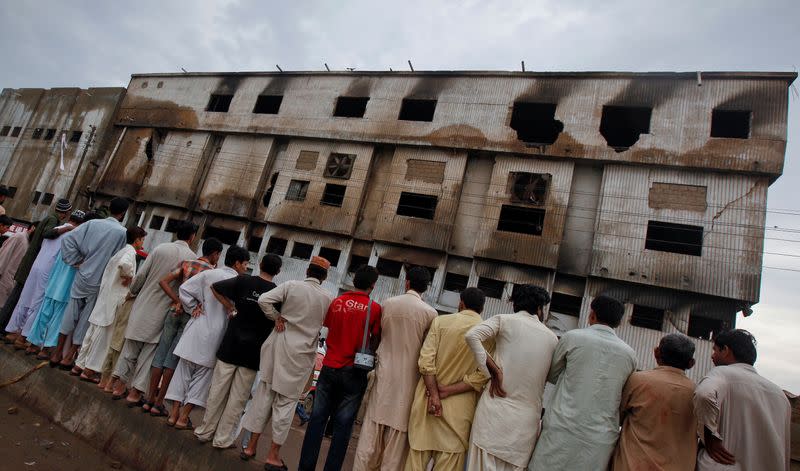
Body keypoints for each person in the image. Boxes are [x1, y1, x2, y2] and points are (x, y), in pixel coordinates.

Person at [240, 256, 334, 470]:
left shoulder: (291, 286)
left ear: (307, 270)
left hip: (278, 345)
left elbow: (264, 300)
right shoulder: (328, 297)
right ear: (325, 276)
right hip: (301, 355)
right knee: (286, 404)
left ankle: (250, 447)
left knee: (264, 397)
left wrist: (276, 317)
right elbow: (328, 326)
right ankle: (273, 456)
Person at [528, 294, 636, 471]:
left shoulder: (572, 338)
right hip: (600, 438)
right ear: (619, 322)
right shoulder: (629, 354)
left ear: (591, 314)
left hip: (561, 426)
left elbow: (553, 374)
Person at [464, 284, 558, 471]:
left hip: (493, 414)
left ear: (515, 303)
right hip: (525, 427)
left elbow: (472, 335)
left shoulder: (504, 320)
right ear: (540, 309)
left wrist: (492, 369)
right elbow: (553, 376)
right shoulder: (552, 338)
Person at [353, 267, 438, 471]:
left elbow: (378, 337)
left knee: (371, 431)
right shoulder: (430, 313)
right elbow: (428, 352)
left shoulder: (388, 304)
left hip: (383, 375)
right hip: (410, 382)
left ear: (406, 282)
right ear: (426, 288)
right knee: (397, 438)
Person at [193, 253, 282, 448]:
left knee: (217, 391)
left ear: (260, 265)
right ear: (278, 271)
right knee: (238, 399)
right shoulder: (277, 292)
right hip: (253, 353)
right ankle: (222, 439)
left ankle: (205, 432)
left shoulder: (243, 281)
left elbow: (215, 288)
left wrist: (230, 308)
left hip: (230, 346)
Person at [299, 265, 383, 471]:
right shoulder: (375, 308)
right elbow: (376, 338)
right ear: (373, 285)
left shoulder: (337, 302)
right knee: (343, 426)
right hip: (354, 371)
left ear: (354, 281)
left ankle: (305, 468)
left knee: (317, 420)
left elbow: (329, 327)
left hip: (329, 366)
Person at [111, 221, 198, 404]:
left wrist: (133, 291)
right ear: (192, 237)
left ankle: (119, 386)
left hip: (143, 304)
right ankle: (135, 393)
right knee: (149, 354)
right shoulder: (192, 258)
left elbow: (141, 276)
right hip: (164, 310)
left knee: (130, 348)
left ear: (176, 234)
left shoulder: (160, 249)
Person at [164, 245, 250, 429]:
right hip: (217, 333)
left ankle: (173, 415)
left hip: (197, 327)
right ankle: (183, 417)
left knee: (182, 373)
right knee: (202, 379)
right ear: (237, 263)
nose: (246, 267)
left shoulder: (209, 274)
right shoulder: (239, 282)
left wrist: (192, 306)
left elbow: (185, 290)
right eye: (245, 264)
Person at [405, 287, 489, 471]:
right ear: (482, 309)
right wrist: (447, 390)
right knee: (450, 460)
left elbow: (426, 361)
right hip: (459, 412)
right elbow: (483, 375)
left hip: (427, 403)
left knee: (416, 459)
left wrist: (434, 394)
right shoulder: (487, 334)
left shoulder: (441, 322)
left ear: (461, 303)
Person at [145, 237, 222, 416]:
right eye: (218, 255)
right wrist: (194, 306)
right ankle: (159, 402)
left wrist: (177, 300)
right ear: (215, 254)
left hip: (173, 311)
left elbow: (164, 281)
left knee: (160, 354)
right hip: (191, 318)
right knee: (173, 359)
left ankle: (149, 399)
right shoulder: (212, 272)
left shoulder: (187, 263)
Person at [694, 329, 791, 471]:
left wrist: (710, 437)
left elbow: (703, 395)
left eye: (715, 350)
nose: (712, 356)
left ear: (726, 350)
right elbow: (785, 450)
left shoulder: (722, 374)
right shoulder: (779, 395)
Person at [53, 198, 129, 371]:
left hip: (83, 274)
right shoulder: (122, 233)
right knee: (86, 319)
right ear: (123, 213)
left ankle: (57, 353)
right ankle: (69, 357)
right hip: (100, 280)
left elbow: (68, 240)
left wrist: (76, 260)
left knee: (70, 313)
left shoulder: (93, 223)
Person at [612, 333, 698, 471]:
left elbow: (616, 418)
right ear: (691, 363)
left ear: (656, 352)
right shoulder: (697, 393)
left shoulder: (637, 380)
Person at [74, 226, 147, 382]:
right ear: (137, 240)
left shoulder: (121, 251)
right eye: (142, 240)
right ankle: (89, 370)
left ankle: (79, 365)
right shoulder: (129, 253)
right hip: (114, 300)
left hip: (105, 297)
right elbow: (124, 265)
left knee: (92, 334)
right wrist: (128, 277)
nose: (143, 243)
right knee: (102, 337)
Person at [0, 198, 71, 330]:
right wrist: (65, 228)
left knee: (16, 298)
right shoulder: (52, 220)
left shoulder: (48, 218)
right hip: (32, 265)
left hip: (30, 265)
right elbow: (48, 233)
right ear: (66, 213)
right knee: (16, 299)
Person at [26, 211, 87, 357]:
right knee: (57, 319)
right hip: (65, 287)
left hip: (53, 283)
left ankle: (34, 345)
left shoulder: (64, 236)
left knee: (44, 314)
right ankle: (47, 349)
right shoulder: (83, 244)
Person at [98, 248, 148, 393]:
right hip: (131, 309)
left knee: (113, 346)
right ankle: (109, 384)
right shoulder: (137, 275)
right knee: (119, 349)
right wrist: (129, 279)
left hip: (125, 308)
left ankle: (104, 381)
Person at [0, 224, 31, 310]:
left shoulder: (28, 242)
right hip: (3, 279)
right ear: (33, 228)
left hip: (9, 282)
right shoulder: (19, 237)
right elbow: (4, 254)